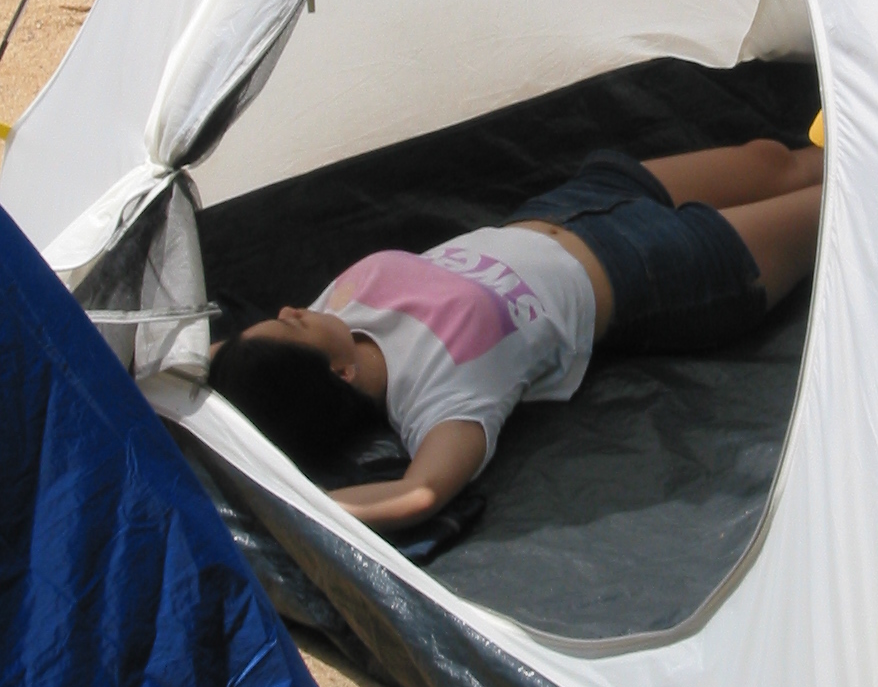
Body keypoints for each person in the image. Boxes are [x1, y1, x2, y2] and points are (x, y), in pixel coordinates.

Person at [209, 138, 823, 531]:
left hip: (572, 206)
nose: (291, 308)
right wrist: (286, 510)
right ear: (338, 375)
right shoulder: (440, 395)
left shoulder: (333, 316)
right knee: (835, 203)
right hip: (656, 269)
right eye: (291, 325)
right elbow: (419, 493)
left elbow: (209, 361)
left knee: (776, 159)